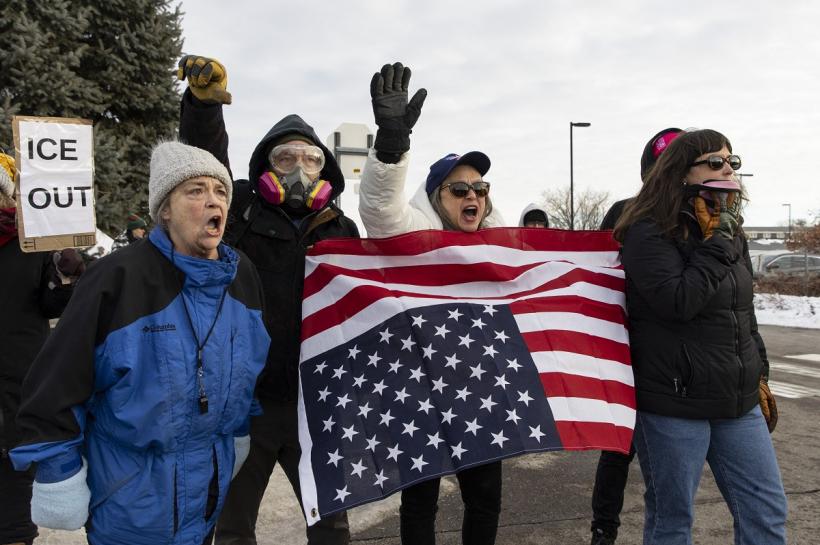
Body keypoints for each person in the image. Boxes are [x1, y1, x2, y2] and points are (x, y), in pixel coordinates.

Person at [9, 141, 271, 545]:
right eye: (195, 190)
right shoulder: (117, 277)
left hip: (209, 490)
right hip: (129, 498)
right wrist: (59, 473)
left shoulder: (241, 276)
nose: (212, 201)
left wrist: (237, 432)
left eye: (220, 191)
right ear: (165, 209)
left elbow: (249, 369)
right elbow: (55, 386)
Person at [176, 54, 357, 545]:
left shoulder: (342, 228)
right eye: (286, 158)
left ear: (328, 170)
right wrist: (203, 108)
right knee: (233, 526)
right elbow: (203, 165)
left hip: (314, 403)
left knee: (331, 525)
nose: (300, 168)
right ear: (265, 167)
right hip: (244, 402)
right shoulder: (238, 214)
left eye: (312, 159)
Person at [613, 129, 786, 544]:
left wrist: (758, 371)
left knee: (767, 513)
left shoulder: (729, 227)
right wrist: (719, 243)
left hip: (737, 401)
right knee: (672, 521)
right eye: (714, 161)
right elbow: (678, 300)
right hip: (674, 404)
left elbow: (741, 312)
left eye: (732, 161)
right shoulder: (646, 228)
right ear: (681, 172)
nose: (727, 168)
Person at [359, 62, 505, 545]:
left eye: (479, 189)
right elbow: (380, 210)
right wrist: (392, 145)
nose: (473, 196)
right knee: (419, 505)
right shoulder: (413, 237)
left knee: (485, 501)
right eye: (459, 188)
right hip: (419, 396)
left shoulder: (502, 250)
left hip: (480, 396)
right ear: (437, 196)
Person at [589, 127, 681, 545]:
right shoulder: (625, 212)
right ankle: (603, 529)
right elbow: (597, 271)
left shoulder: (708, 220)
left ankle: (662, 528)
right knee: (617, 450)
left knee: (668, 466)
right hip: (627, 352)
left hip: (677, 364)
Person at [0, 152, 84, 545]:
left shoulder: (29, 243)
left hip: (17, 380)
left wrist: (66, 274)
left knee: (14, 473)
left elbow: (52, 305)